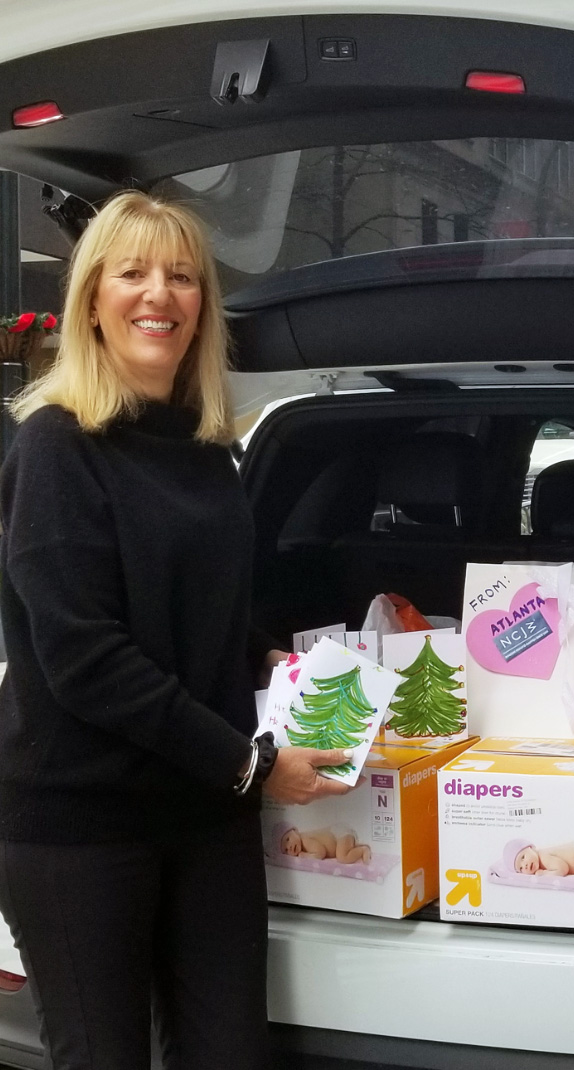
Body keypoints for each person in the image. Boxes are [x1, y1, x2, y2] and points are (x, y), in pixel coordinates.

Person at [0, 191, 354, 1070]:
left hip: (204, 815)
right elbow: (84, 657)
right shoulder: (55, 445)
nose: (159, 294)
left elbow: (204, 605)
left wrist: (263, 657)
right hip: (84, 825)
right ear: (92, 300)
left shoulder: (207, 447)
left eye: (183, 276)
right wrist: (249, 762)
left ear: (202, 306)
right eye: (132, 274)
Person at [280, 825, 372, 864]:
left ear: (295, 831)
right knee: (343, 849)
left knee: (342, 857)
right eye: (286, 850)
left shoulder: (305, 840)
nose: (289, 847)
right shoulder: (302, 840)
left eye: (288, 839)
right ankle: (355, 846)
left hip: (338, 834)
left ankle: (363, 850)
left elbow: (320, 853)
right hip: (338, 836)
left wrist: (305, 856)